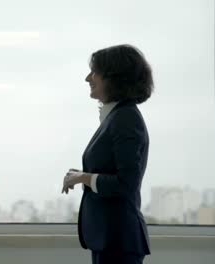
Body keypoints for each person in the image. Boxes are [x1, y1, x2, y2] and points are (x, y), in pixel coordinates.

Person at [62, 44, 153, 264]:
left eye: (94, 72)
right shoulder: (117, 117)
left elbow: (126, 183)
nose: (87, 78)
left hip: (118, 241)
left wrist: (84, 178)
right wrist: (83, 174)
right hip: (110, 240)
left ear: (115, 78)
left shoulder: (125, 119)